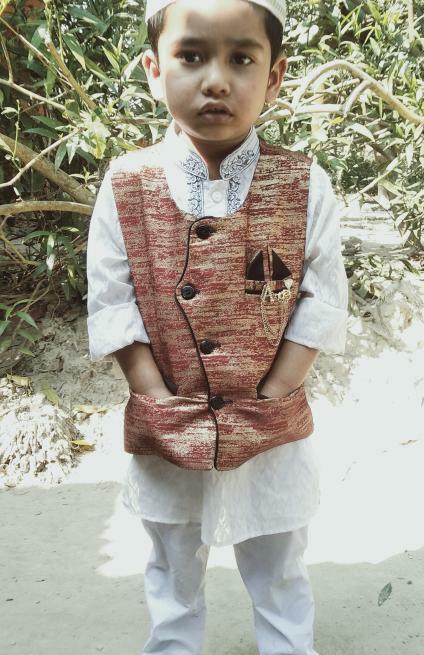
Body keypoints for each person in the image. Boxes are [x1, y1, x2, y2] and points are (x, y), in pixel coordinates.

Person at [86, 0, 348, 653]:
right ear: (154, 70)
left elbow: (322, 297)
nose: (216, 80)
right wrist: (153, 393)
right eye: (191, 56)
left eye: (241, 59)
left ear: (274, 75)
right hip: (166, 416)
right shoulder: (126, 183)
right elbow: (112, 299)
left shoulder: (304, 184)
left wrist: (275, 391)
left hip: (270, 424)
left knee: (279, 557)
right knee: (171, 560)